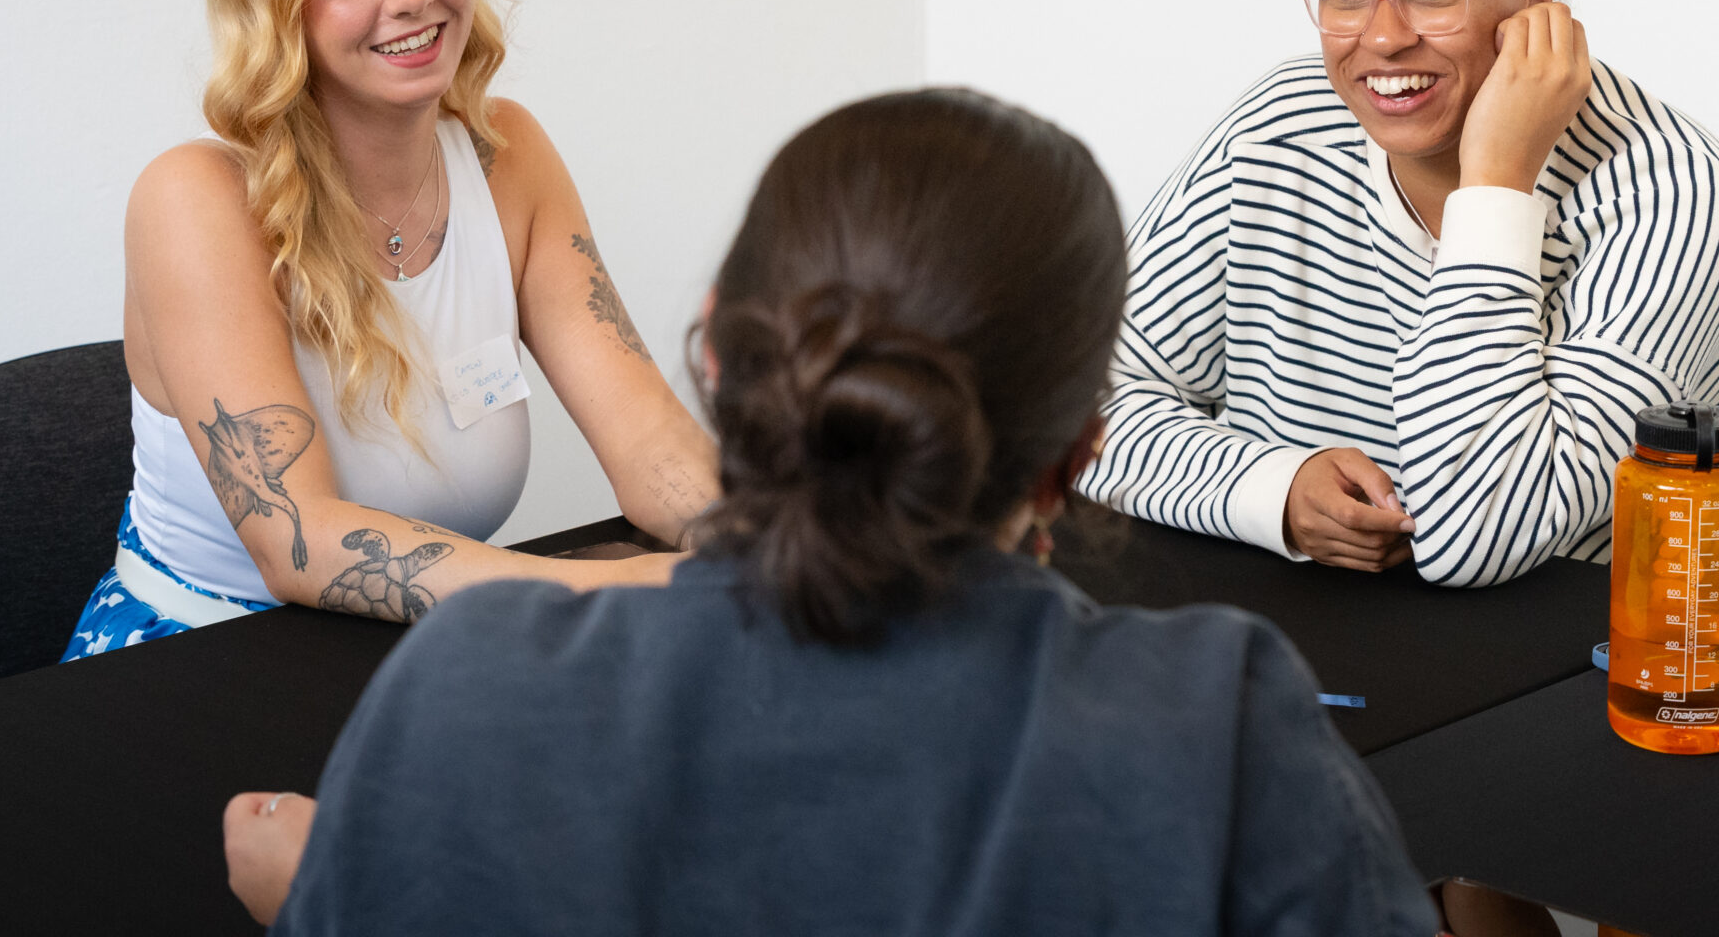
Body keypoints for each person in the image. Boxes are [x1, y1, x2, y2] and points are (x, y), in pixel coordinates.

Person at [222, 89, 1441, 935]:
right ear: (1078, 448)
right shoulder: (1218, 724)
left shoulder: (470, 685)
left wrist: (338, 890)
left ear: (715, 356)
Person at [1081, 0, 1719, 619]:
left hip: (1685, 641)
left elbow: (1480, 532)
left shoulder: (1672, 187)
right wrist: (1273, 487)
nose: (1382, 36)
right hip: (1381, 618)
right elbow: (1076, 402)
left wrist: (1495, 187)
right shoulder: (1279, 126)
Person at [65, 0, 715, 657]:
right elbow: (303, 546)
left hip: (420, 647)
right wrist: (624, 587)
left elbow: (650, 444)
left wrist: (769, 555)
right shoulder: (194, 197)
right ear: (274, 3)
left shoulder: (507, 154)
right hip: (205, 661)